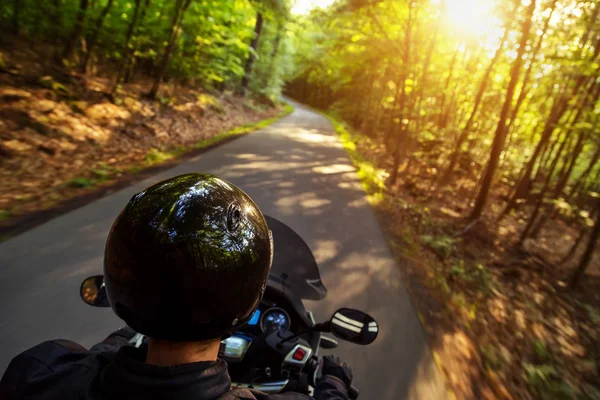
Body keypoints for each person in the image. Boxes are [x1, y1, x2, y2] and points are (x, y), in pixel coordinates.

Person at [0, 174, 354, 400]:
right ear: (246, 302)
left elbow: (98, 359)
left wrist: (120, 340)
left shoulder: (40, 373)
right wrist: (334, 380)